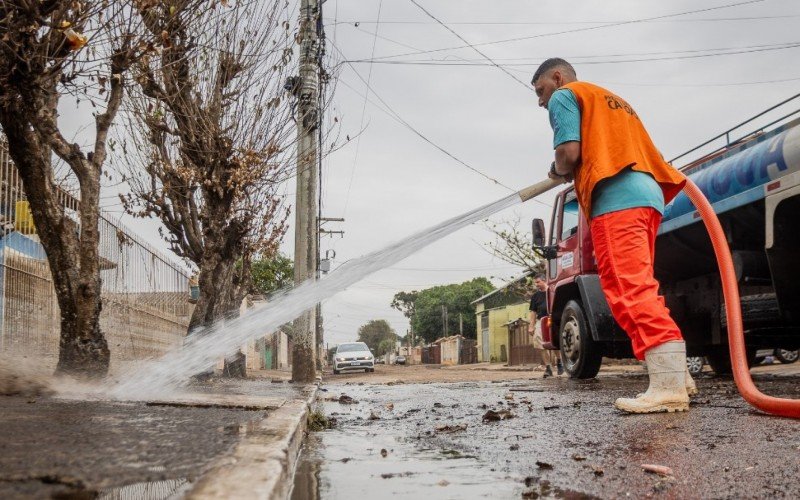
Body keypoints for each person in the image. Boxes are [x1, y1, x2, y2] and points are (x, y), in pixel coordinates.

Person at [531, 58, 697, 413]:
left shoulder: (566, 95)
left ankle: (668, 388)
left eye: (541, 90)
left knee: (627, 288)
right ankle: (677, 376)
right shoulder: (611, 99)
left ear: (557, 77)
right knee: (641, 286)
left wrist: (559, 168)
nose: (541, 101)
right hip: (648, 195)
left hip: (616, 198)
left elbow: (568, 152)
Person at [528, 274, 563, 377]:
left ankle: (560, 363)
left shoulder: (553, 291)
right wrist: (531, 326)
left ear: (544, 281)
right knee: (538, 341)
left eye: (538, 282)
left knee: (554, 341)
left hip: (553, 319)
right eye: (535, 283)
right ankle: (548, 367)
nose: (536, 285)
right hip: (541, 320)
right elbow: (533, 312)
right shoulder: (535, 296)